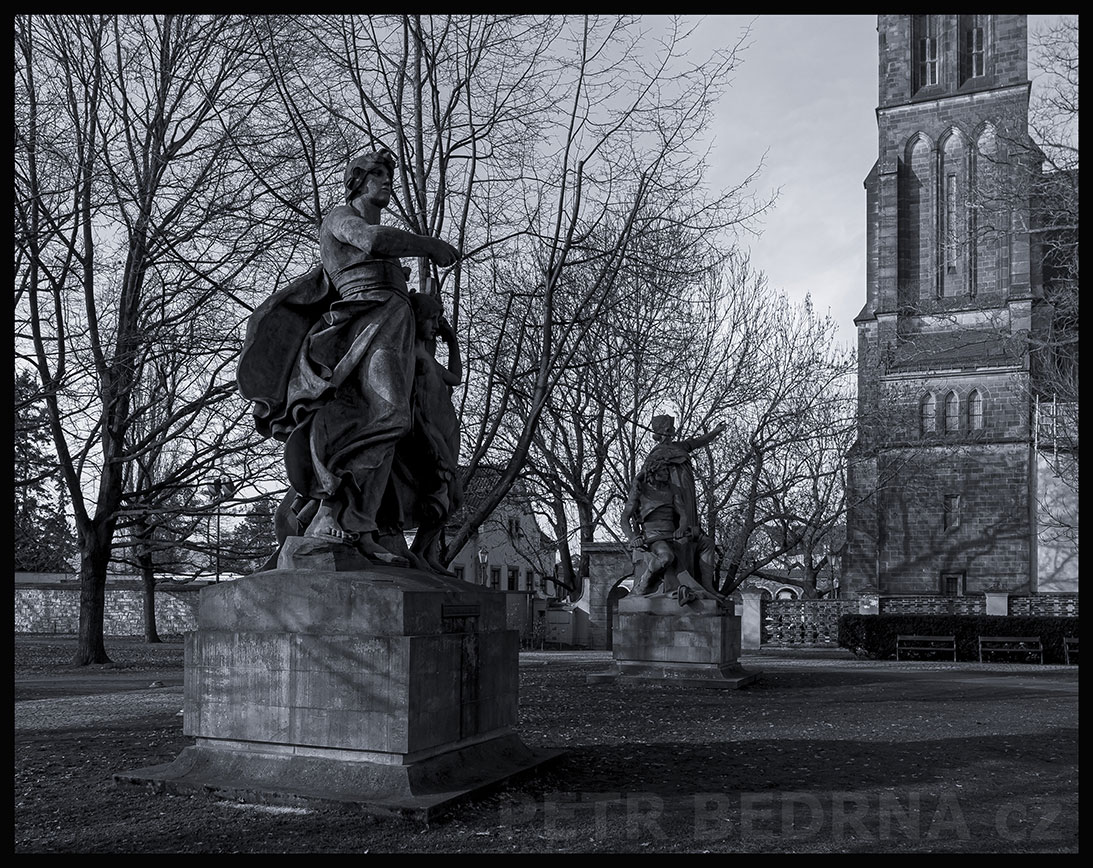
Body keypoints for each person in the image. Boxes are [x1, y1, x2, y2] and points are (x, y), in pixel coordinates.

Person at [237, 149, 459, 566]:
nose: (386, 182)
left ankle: (362, 525)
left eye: (388, 174)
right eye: (377, 174)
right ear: (356, 180)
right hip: (359, 327)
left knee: (399, 424)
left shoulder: (387, 255)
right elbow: (373, 240)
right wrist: (427, 245)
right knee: (386, 415)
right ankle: (328, 515)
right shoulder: (340, 218)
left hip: (393, 328)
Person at [621, 415, 726, 600]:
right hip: (658, 531)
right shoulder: (655, 458)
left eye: (672, 428)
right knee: (674, 550)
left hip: (685, 495)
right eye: (668, 428)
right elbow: (643, 476)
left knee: (699, 539)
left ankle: (706, 586)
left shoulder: (679, 448)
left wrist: (715, 432)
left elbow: (696, 442)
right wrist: (633, 536)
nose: (671, 432)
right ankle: (664, 585)